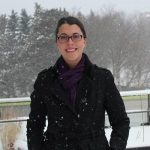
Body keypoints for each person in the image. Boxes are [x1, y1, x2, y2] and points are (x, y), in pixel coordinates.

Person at [27, 16, 130, 150]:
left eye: (76, 36)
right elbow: (34, 126)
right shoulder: (45, 80)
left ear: (84, 41)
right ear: (57, 42)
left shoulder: (102, 78)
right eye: (63, 37)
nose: (70, 42)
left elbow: (121, 122)